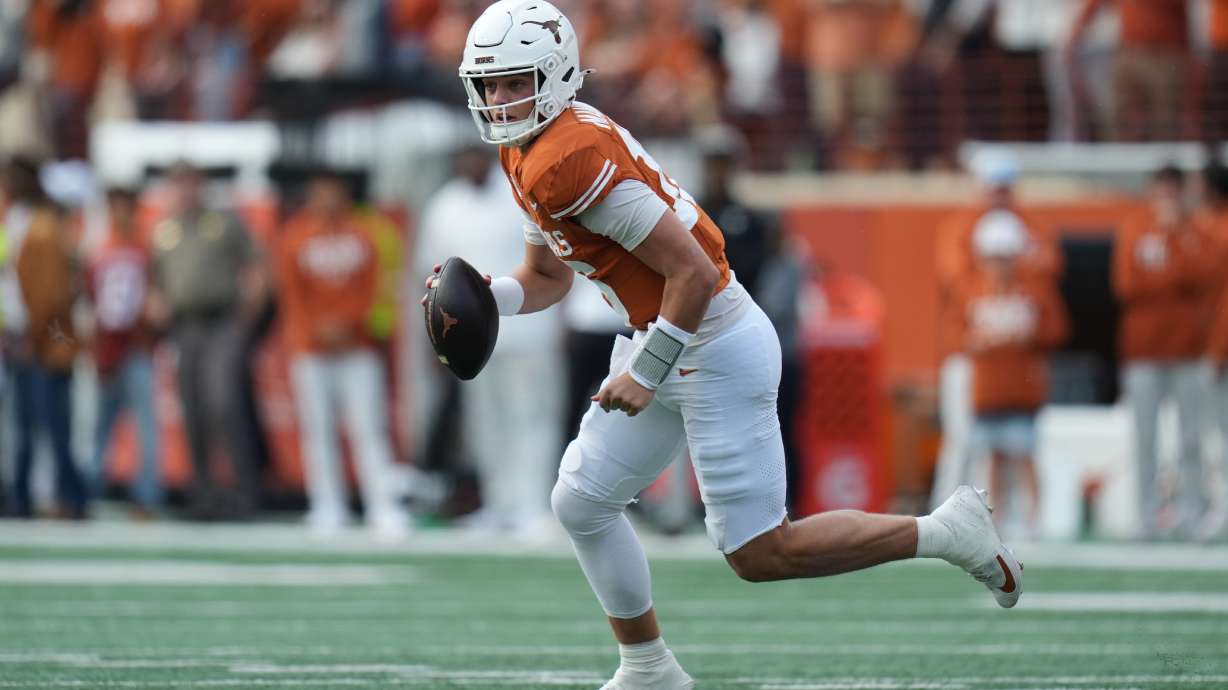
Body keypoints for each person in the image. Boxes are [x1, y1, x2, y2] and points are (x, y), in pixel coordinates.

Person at [424, 3, 1025, 687]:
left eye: (515, 82)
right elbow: (546, 277)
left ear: (556, 74)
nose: (500, 100)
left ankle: (948, 531)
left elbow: (695, 273)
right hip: (667, 334)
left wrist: (647, 372)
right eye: (490, 85)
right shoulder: (526, 149)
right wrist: (478, 303)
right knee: (582, 501)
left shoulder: (570, 156)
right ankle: (648, 667)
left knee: (760, 552)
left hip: (713, 339)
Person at [416, 143, 564, 536]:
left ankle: (534, 507)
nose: (470, 163)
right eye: (462, 157)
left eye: (476, 156)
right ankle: (499, 504)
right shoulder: (444, 205)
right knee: (485, 424)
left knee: (532, 418)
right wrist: (437, 337)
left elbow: (555, 264)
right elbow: (430, 277)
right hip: (473, 336)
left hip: (530, 326)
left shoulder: (519, 194)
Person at [276, 168, 410, 540]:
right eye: (320, 191)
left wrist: (352, 324)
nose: (327, 199)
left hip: (357, 345)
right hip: (311, 347)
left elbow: (378, 287)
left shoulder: (366, 231)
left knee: (369, 427)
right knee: (318, 428)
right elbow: (291, 293)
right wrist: (314, 330)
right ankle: (327, 504)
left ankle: (381, 505)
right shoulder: (295, 234)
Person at [931, 150, 1061, 511]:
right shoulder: (962, 228)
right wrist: (993, 314)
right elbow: (957, 286)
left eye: (1005, 187)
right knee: (964, 438)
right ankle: (948, 511)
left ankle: (1015, 517)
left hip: (1016, 362)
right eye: (994, 187)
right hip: (972, 355)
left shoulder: (1032, 226)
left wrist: (1013, 313)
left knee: (1018, 447)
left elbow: (1048, 277)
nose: (999, 195)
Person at [148, 161, 264, 520]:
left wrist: (247, 317)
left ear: (201, 186)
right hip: (185, 327)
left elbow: (258, 268)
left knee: (222, 403)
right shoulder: (165, 231)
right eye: (177, 183)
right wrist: (156, 303)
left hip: (222, 323)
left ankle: (245, 493)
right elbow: (156, 281)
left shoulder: (224, 223)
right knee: (193, 407)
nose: (184, 191)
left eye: (189, 183)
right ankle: (204, 495)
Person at [1114, 165, 1220, 540]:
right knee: (1145, 439)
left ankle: (1192, 513)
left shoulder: (1197, 229)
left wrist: (1172, 248)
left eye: (1174, 191)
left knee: (1191, 438)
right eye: (1162, 190)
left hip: (1188, 351)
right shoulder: (1135, 227)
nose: (1168, 199)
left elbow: (1207, 275)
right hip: (1143, 351)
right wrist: (1175, 278)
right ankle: (1145, 515)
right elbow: (1126, 283)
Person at [961, 211, 1068, 539]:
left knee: (1024, 454)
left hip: (1021, 388)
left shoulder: (1033, 291)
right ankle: (996, 518)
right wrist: (979, 341)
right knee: (993, 457)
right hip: (988, 389)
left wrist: (1026, 336)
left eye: (1005, 258)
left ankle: (1034, 519)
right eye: (994, 258)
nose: (999, 265)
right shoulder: (972, 291)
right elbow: (955, 335)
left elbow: (1056, 330)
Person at [86, 186, 163, 518]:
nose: (121, 215)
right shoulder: (99, 251)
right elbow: (88, 301)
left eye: (126, 208)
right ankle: (89, 493)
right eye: (115, 208)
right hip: (107, 348)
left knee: (146, 425)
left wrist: (151, 333)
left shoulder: (147, 250)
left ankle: (146, 496)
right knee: (99, 425)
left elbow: (159, 297)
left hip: (138, 347)